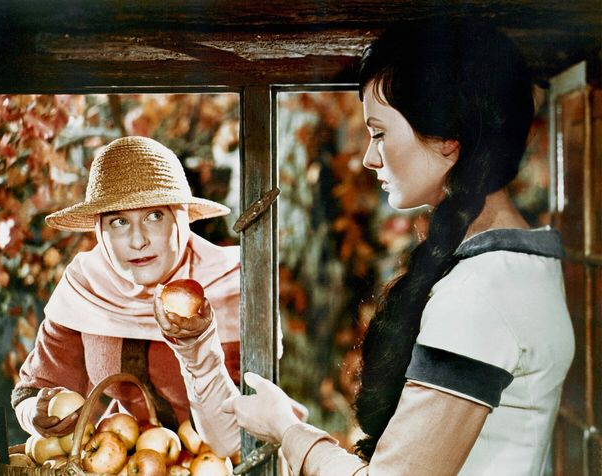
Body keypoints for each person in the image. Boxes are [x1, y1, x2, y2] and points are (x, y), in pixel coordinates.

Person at [218, 19, 575, 475]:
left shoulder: (480, 293)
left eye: (380, 133)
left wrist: (287, 430)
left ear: (447, 140)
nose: (369, 157)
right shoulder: (523, 264)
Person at [11, 135, 242, 457]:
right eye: (119, 221)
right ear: (99, 230)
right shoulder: (86, 285)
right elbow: (37, 389)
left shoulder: (232, 283)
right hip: (119, 460)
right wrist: (36, 414)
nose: (137, 240)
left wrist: (198, 347)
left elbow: (235, 439)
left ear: (180, 217)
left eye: (154, 216)